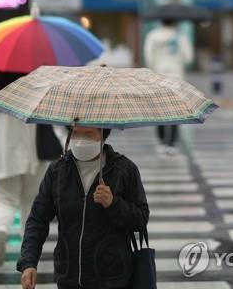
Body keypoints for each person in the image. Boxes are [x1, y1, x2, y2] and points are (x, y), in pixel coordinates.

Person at [18, 126, 150, 289]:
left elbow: (141, 218)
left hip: (111, 278)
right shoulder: (57, 171)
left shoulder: (124, 170)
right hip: (68, 276)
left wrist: (113, 204)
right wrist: (29, 262)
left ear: (103, 135)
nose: (80, 139)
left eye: (88, 133)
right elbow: (38, 220)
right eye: (75, 132)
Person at [0, 71, 62, 267]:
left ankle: (2, 229)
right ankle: (27, 249)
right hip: (34, 153)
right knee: (30, 202)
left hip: (4, 151)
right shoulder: (39, 81)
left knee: (4, 198)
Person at [144, 19, 193, 155]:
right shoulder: (180, 36)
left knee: (159, 109)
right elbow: (188, 58)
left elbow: (148, 58)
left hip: (158, 75)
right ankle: (172, 143)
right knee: (175, 110)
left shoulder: (152, 35)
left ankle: (161, 141)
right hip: (176, 76)